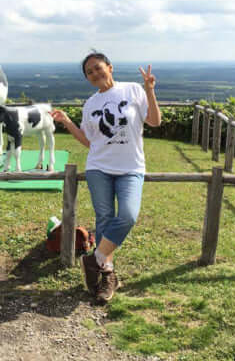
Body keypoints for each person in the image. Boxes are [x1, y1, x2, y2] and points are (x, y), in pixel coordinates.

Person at [51, 52, 161, 304]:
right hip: (99, 168)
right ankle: (107, 276)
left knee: (128, 216)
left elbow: (154, 121)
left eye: (98, 68)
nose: (95, 74)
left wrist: (150, 90)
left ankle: (94, 260)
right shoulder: (90, 105)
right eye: (89, 72)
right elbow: (91, 143)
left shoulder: (133, 90)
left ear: (110, 67)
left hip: (131, 168)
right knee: (104, 220)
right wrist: (67, 122)